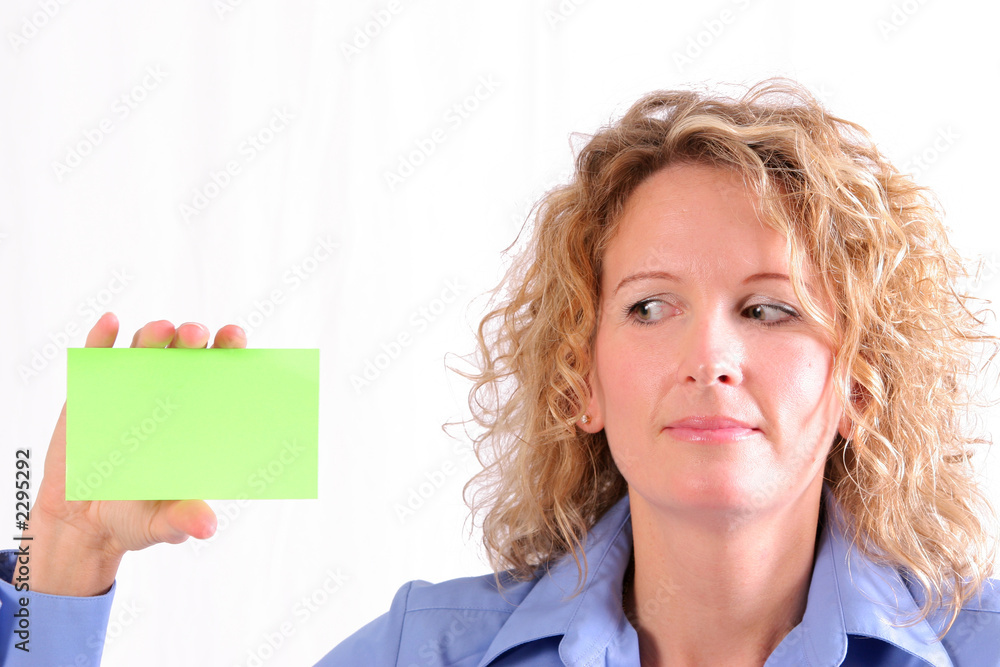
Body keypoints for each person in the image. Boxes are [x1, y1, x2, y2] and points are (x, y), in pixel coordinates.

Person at [3, 77, 999, 666]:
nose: (709, 356)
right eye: (650, 305)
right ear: (580, 380)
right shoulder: (424, 652)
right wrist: (64, 567)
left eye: (768, 307)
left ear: (859, 383)